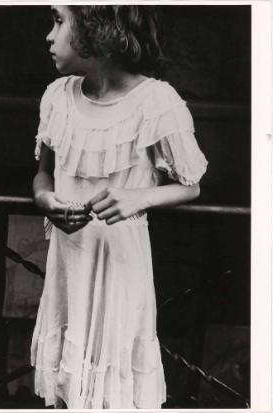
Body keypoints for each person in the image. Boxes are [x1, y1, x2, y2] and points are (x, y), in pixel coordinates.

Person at [30, 5, 208, 409]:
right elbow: (43, 173)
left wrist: (140, 197)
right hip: (69, 265)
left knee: (114, 389)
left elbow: (191, 185)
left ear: (97, 28)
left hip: (119, 269)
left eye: (59, 21)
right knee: (68, 386)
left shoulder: (156, 101)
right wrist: (45, 199)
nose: (49, 35)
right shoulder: (58, 97)